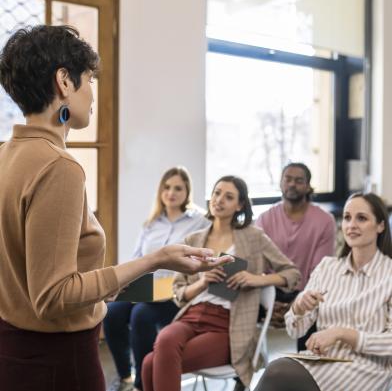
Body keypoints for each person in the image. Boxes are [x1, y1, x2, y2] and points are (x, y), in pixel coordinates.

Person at [0, 25, 231, 391]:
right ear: (64, 81)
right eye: (89, 79)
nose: (92, 94)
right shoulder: (58, 167)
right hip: (59, 362)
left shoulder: (5, 155)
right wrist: (157, 259)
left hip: (13, 351)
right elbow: (53, 296)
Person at [141, 175, 301, 391]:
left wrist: (256, 279)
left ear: (240, 205)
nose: (219, 200)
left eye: (228, 197)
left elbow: (292, 274)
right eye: (217, 193)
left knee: (150, 363)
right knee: (164, 341)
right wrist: (202, 282)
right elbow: (178, 292)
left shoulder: (254, 237)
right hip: (192, 315)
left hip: (228, 325)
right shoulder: (194, 239)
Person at [255, 192, 392, 391]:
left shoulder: (389, 274)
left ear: (380, 225)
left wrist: (342, 334)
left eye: (361, 218)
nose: (351, 225)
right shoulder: (327, 267)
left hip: (366, 368)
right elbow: (295, 330)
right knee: (278, 370)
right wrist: (299, 308)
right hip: (322, 361)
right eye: (347, 218)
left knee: (278, 374)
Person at [104, 166, 211, 391]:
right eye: (167, 187)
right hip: (146, 287)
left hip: (175, 291)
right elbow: (136, 258)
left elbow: (203, 259)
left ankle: (143, 385)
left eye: (178, 188)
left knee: (140, 315)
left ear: (187, 192)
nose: (171, 192)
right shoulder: (151, 223)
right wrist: (121, 282)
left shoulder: (200, 221)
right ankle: (125, 378)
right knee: (112, 313)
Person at [255, 163, 335, 348]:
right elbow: (259, 265)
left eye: (299, 181)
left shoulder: (324, 220)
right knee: (241, 299)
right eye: (288, 179)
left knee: (313, 310)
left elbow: (320, 270)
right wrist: (269, 300)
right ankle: (243, 368)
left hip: (307, 291)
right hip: (270, 289)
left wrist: (297, 302)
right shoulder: (265, 218)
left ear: (308, 186)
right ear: (281, 183)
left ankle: (307, 364)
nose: (292, 184)